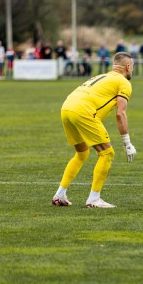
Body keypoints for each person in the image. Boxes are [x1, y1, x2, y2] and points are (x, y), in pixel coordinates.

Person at [52, 51, 137, 209]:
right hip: (83, 111)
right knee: (107, 153)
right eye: (132, 67)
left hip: (67, 107)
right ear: (127, 66)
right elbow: (120, 113)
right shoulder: (124, 82)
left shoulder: (103, 76)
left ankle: (60, 194)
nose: (132, 70)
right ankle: (94, 199)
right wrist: (127, 143)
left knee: (82, 153)